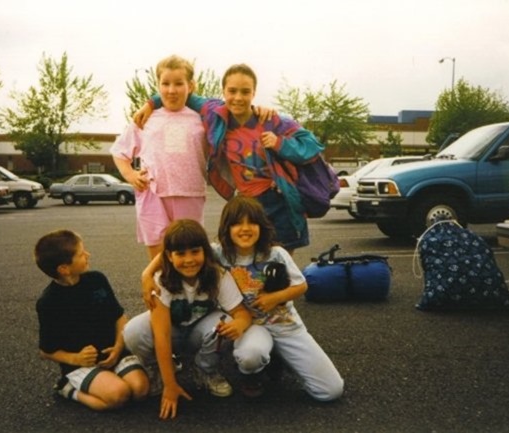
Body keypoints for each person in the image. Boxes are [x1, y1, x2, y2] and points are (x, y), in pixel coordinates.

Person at [141, 196, 344, 401]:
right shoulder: (219, 252)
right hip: (249, 326)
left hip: (285, 326)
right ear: (227, 228)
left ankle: (278, 358)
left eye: (252, 222)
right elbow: (177, 248)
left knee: (330, 391)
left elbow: (301, 285)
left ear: (262, 226)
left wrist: (275, 298)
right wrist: (147, 274)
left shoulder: (276, 254)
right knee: (250, 356)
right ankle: (252, 373)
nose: (245, 229)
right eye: (237, 223)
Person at [135, 63, 325, 253]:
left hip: (277, 199)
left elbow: (312, 145)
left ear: (254, 93)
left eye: (245, 91)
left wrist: (280, 143)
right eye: (232, 91)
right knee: (245, 259)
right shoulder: (214, 114)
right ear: (223, 91)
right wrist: (150, 103)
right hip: (245, 201)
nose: (238, 98)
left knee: (281, 258)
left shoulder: (271, 121)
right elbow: (180, 92)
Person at [123, 219, 253, 419]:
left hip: (198, 333)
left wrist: (239, 324)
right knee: (133, 331)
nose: (189, 259)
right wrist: (170, 385)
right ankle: (158, 369)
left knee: (226, 322)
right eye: (181, 254)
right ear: (169, 256)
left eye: (195, 251)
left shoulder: (217, 275)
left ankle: (205, 369)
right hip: (172, 332)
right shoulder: (161, 280)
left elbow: (241, 312)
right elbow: (161, 335)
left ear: (205, 252)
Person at [34, 229, 149, 411]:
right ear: (64, 269)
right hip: (81, 364)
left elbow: (119, 317)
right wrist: (76, 358)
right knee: (119, 395)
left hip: (114, 352)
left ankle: (108, 378)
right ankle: (68, 388)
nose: (88, 255)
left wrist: (118, 347)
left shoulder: (97, 279)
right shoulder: (48, 302)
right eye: (81, 254)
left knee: (140, 390)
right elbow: (45, 351)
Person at [111, 55, 208, 260]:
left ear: (190, 86)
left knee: (189, 253)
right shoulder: (145, 119)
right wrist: (130, 175)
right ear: (158, 86)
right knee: (159, 257)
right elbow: (119, 152)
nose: (171, 90)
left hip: (190, 193)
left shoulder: (202, 119)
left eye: (178, 84)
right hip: (152, 194)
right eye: (165, 83)